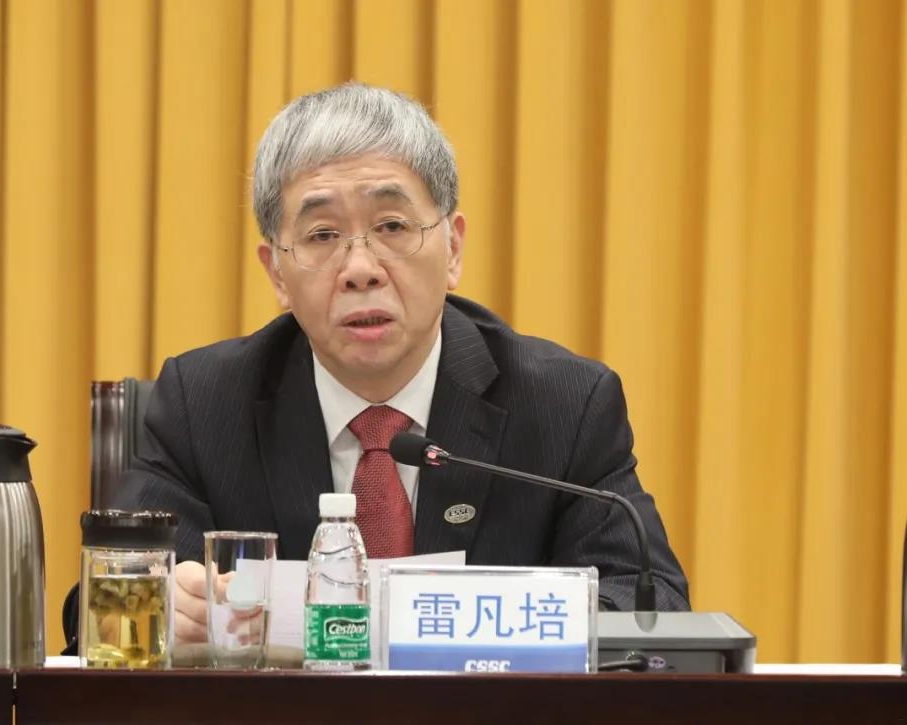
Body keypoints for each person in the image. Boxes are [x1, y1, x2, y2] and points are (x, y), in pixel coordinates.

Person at [67, 82, 689, 649]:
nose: (360, 268)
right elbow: (99, 605)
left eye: (392, 226)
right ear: (276, 272)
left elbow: (651, 609)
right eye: (321, 235)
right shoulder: (206, 403)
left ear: (453, 247)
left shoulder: (562, 404)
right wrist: (162, 605)